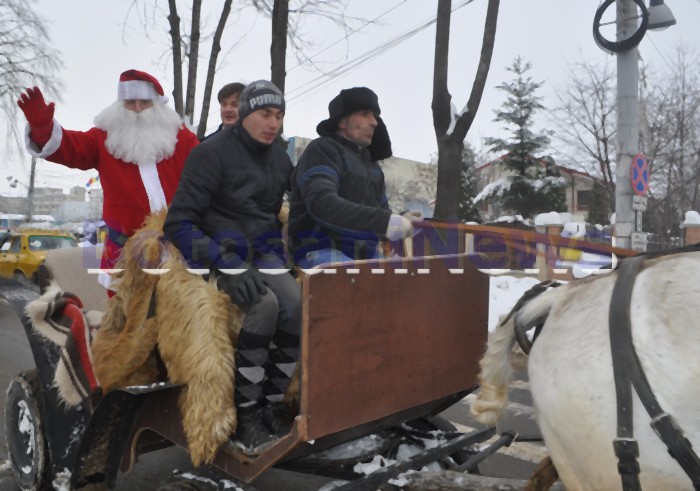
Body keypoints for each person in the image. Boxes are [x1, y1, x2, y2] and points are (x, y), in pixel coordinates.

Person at [163, 80, 299, 449]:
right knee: (264, 305)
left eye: (279, 115)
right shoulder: (210, 154)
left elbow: (276, 214)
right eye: (265, 114)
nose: (273, 123)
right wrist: (228, 264)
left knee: (296, 304)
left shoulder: (280, 159)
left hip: (262, 252)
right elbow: (178, 223)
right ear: (245, 114)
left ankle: (273, 404)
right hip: (214, 252)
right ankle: (246, 414)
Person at [17, 69, 199, 291]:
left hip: (178, 250)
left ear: (158, 104)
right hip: (124, 254)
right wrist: (42, 128)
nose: (138, 109)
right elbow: (69, 147)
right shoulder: (103, 138)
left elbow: (209, 175)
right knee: (124, 311)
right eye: (130, 102)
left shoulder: (182, 139)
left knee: (182, 310)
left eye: (145, 102)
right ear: (120, 105)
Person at [288, 86, 420, 268]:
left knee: (404, 280)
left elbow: (381, 214)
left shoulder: (373, 167)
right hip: (321, 249)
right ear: (342, 122)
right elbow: (322, 204)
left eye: (375, 116)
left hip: (365, 255)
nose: (374, 122)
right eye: (365, 114)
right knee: (363, 281)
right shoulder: (323, 151)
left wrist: (402, 219)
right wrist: (384, 222)